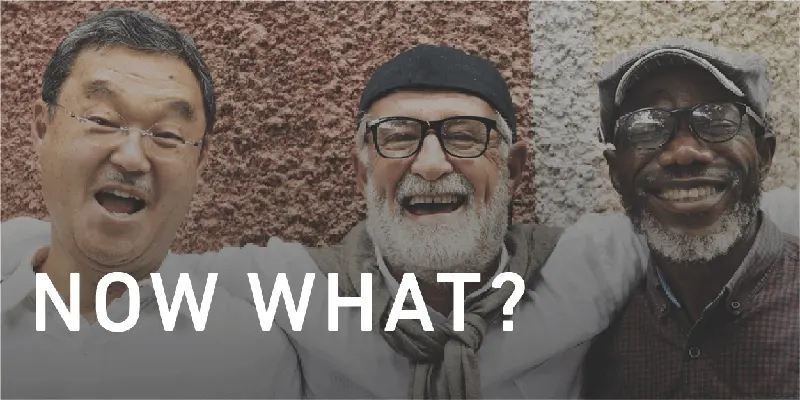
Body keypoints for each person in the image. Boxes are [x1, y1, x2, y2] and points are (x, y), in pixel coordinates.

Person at [4, 43, 796, 399]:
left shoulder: (583, 267)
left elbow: (757, 218)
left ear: (513, 169)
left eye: (463, 135)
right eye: (396, 136)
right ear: (362, 166)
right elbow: (117, 264)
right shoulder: (298, 290)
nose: (428, 164)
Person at [0, 8, 300, 399]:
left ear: (200, 159)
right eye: (103, 121)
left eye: (169, 135)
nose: (131, 157)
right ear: (43, 128)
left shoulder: (249, 358)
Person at [584, 40, 799, 398]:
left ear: (764, 153)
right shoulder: (591, 330)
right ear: (615, 172)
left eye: (717, 120)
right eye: (647, 126)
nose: (684, 153)